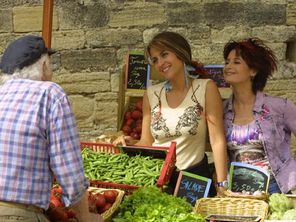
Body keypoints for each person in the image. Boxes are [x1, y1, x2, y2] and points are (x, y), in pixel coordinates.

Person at [0, 35, 103, 222]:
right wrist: (85, 216)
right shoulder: (50, 93)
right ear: (44, 66)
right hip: (18, 215)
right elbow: (68, 167)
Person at [113, 31, 228, 196]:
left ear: (180, 52)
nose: (160, 63)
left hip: (193, 180)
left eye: (164, 54)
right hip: (159, 181)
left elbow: (217, 140)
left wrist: (222, 184)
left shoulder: (205, 88)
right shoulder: (151, 94)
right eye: (155, 60)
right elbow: (147, 141)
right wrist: (129, 143)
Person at [223, 37, 296, 194]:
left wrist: (292, 171)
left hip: (275, 190)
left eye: (236, 62)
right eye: (227, 62)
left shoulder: (280, 106)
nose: (228, 66)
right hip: (238, 195)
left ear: (253, 70)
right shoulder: (222, 110)